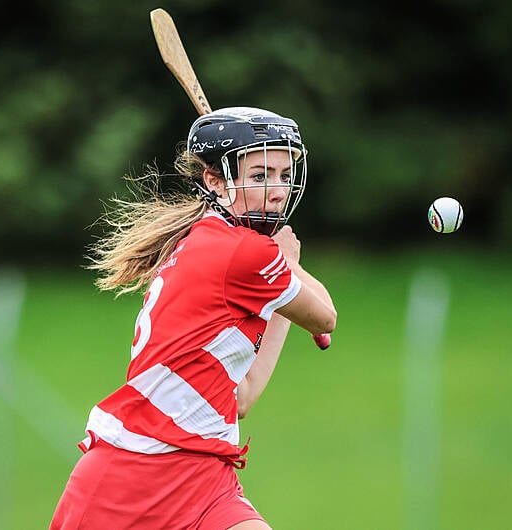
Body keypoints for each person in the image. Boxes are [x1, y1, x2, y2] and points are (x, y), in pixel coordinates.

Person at [49, 107, 337, 530]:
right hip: (132, 479)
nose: (277, 189)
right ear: (214, 180)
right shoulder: (243, 254)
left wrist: (280, 280)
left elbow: (241, 398)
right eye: (259, 176)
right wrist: (288, 259)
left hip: (204, 478)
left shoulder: (214, 239)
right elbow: (325, 316)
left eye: (282, 172)